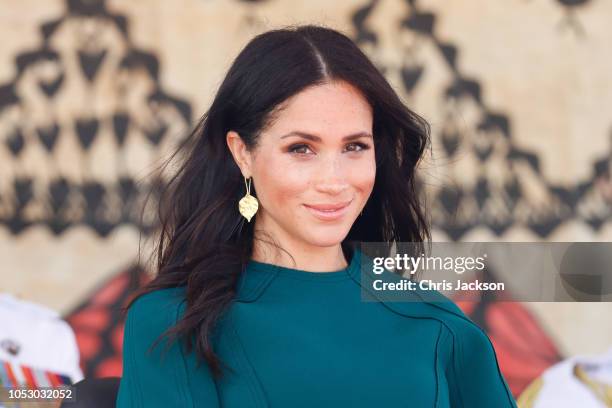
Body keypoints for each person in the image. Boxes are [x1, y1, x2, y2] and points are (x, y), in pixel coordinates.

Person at [116, 24, 517, 407]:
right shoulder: (174, 323)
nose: (334, 181)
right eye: (301, 149)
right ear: (243, 154)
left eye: (355, 147)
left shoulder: (439, 326)